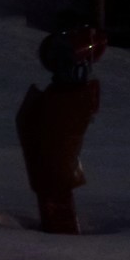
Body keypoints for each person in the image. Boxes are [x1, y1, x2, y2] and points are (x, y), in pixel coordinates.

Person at [13, 26, 105, 234]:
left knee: (55, 184)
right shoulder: (63, 101)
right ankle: (61, 230)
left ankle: (62, 230)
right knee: (56, 186)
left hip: (53, 163)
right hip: (54, 165)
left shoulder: (62, 101)